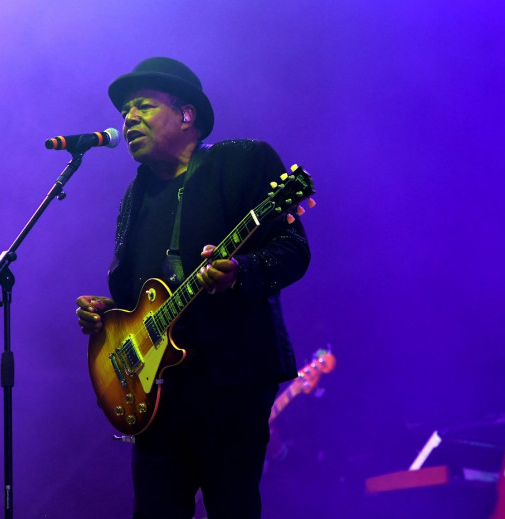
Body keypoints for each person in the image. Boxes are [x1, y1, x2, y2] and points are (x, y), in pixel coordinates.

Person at [75, 57, 311, 519]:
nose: (128, 119)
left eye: (142, 106)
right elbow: (134, 294)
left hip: (230, 382)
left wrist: (240, 272)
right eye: (125, 110)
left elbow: (293, 251)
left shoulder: (241, 161)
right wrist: (109, 315)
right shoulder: (135, 195)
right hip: (156, 394)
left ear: (187, 115)